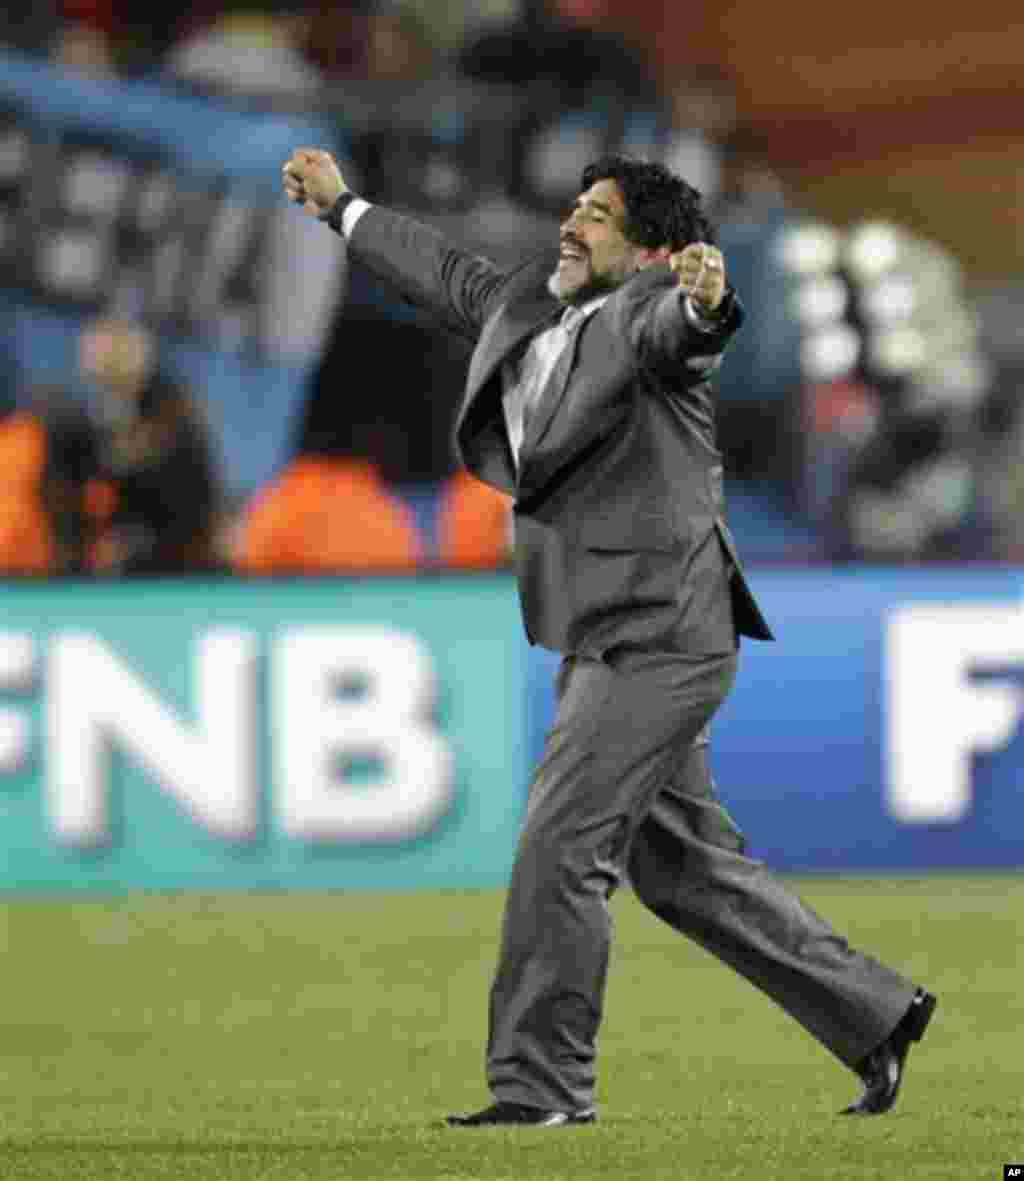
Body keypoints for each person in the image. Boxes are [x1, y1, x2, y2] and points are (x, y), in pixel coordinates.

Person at [281, 146, 937, 1127]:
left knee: (559, 845)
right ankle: (873, 1012)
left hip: (660, 632)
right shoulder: (530, 308)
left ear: (646, 255)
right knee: (679, 866)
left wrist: (705, 302)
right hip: (609, 629)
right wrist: (344, 209)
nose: (570, 223)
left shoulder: (641, 317)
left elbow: (688, 329)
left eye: (596, 215)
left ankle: (540, 1087)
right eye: (575, 206)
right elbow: (441, 270)